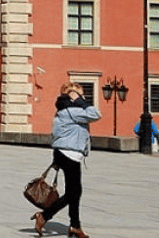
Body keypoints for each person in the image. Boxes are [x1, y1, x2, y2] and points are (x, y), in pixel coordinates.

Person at [33, 81, 100, 238]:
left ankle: (75, 226)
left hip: (62, 153)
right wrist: (80, 101)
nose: (83, 97)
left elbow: (56, 134)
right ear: (72, 96)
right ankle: (44, 216)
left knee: (74, 192)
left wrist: (56, 157)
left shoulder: (61, 111)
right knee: (73, 193)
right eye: (80, 94)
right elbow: (96, 114)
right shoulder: (73, 111)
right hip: (69, 154)